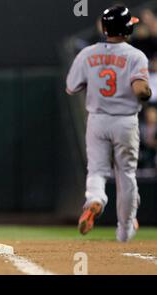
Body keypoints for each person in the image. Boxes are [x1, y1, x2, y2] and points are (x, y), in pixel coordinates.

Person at [66, 5, 152, 242]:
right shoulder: (136, 55)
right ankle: (124, 231)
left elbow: (72, 87)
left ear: (104, 28)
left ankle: (95, 198)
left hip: (97, 119)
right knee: (126, 174)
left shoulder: (87, 54)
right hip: (125, 121)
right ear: (127, 28)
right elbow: (141, 89)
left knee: (96, 170)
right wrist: (143, 90)